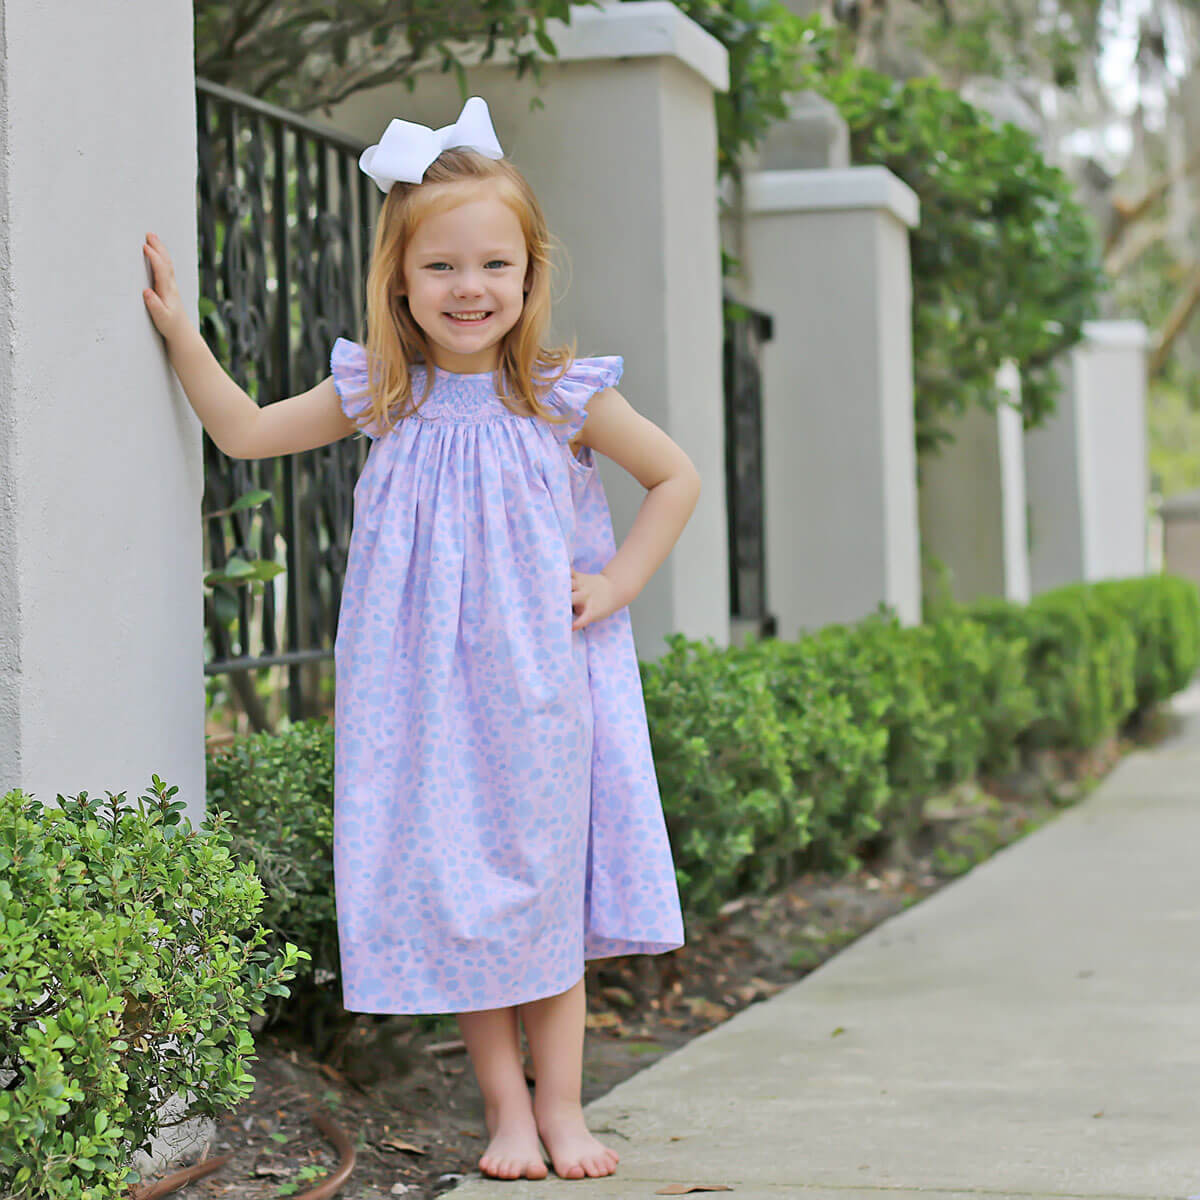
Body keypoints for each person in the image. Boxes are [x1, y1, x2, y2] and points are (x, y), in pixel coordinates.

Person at [142, 95, 701, 1182]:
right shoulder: (381, 392)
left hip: (541, 683)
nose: (470, 288)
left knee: (539, 892)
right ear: (400, 277)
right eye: (442, 267)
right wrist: (179, 334)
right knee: (462, 890)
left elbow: (675, 477)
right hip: (423, 691)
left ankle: (566, 1110)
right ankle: (504, 1112)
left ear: (530, 276)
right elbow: (247, 432)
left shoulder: (558, 394)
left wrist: (616, 581)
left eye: (495, 265)